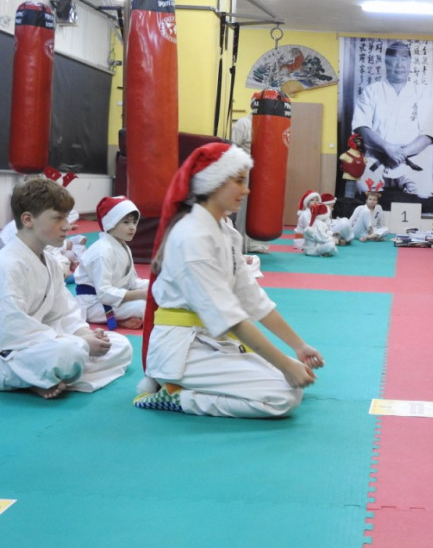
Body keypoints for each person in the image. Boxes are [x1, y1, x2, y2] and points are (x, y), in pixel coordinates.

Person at [133, 142, 324, 417]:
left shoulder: (224, 229)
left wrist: (298, 346)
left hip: (212, 340)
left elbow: (250, 296)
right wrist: (284, 364)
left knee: (293, 381)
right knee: (284, 396)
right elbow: (230, 316)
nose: (246, 190)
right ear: (213, 182)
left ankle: (183, 389)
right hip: (182, 350)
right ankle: (179, 397)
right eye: (239, 181)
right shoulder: (192, 237)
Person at [0, 178, 132, 399]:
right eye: (57, 218)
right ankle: (23, 376)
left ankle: (43, 377)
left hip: (41, 345)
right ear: (28, 219)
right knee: (69, 352)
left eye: (67, 217)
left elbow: (63, 312)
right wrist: (77, 343)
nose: (67, 226)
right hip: (11, 349)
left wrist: (85, 334)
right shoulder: (8, 264)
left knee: (120, 345)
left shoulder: (50, 261)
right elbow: (11, 328)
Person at [351, 41, 433, 199]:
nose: (399, 64)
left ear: (410, 62)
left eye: (404, 58)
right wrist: (387, 148)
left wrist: (402, 153)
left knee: (424, 193)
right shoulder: (371, 91)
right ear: (386, 62)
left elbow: (428, 135)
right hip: (377, 161)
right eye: (394, 59)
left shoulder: (422, 93)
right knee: (364, 188)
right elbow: (361, 127)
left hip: (411, 162)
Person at [73, 195, 149, 330]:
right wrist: (140, 294)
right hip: (93, 304)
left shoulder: (123, 247)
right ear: (110, 223)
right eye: (126, 222)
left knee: (158, 294)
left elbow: (132, 283)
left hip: (112, 298)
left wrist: (155, 284)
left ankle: (121, 318)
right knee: (145, 306)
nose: (132, 227)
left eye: (134, 222)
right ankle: (118, 319)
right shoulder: (102, 252)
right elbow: (104, 294)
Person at [230, 113, 269, 255]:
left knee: (260, 209)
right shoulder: (244, 123)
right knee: (244, 209)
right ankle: (241, 244)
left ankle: (257, 243)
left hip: (264, 174)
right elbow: (232, 146)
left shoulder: (270, 124)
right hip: (245, 171)